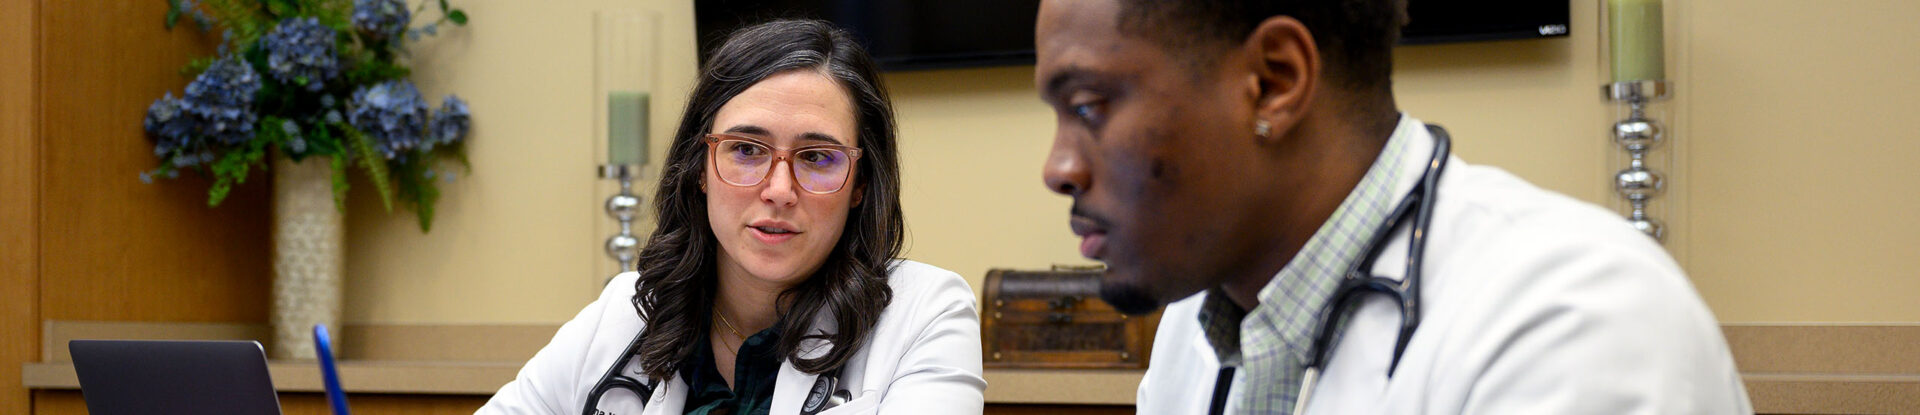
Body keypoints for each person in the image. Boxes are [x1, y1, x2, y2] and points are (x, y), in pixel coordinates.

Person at [1032, 1, 1751, 413]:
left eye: (1089, 105)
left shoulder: (1575, 321)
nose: (1057, 168)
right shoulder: (1198, 324)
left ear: (1275, 81)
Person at [482, 19, 985, 415]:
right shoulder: (625, 312)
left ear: (861, 185)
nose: (779, 190)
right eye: (746, 149)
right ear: (699, 168)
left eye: (816, 157)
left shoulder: (926, 314)